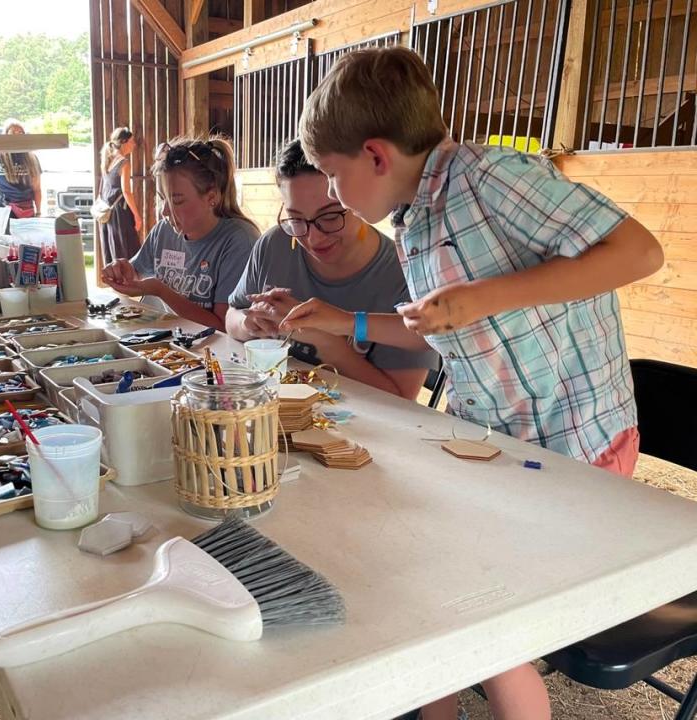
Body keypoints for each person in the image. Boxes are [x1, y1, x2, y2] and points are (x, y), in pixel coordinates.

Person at [281, 47, 664, 720]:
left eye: (334, 180)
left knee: (480, 620)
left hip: (576, 448)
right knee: (415, 574)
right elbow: (439, 330)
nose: (334, 197)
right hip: (499, 445)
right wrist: (347, 322)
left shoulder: (490, 176)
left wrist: (487, 296)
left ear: (375, 155)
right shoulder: (416, 220)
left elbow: (639, 252)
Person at [226, 139, 438, 399]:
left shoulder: (405, 272)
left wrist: (326, 340)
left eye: (330, 217)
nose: (314, 239)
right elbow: (232, 315)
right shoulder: (275, 243)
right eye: (296, 219)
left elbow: (401, 400)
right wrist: (250, 324)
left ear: (357, 203)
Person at [101, 136, 260, 332]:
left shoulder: (239, 240)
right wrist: (122, 271)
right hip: (167, 345)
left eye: (177, 201)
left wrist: (160, 291)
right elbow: (135, 272)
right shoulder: (164, 230)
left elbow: (223, 326)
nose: (164, 212)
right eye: (162, 199)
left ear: (211, 197)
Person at [97, 126, 142, 263]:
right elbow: (126, 192)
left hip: (107, 212)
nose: (134, 145)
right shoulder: (124, 163)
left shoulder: (107, 160)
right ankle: (129, 281)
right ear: (123, 142)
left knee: (113, 248)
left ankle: (116, 279)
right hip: (119, 212)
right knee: (128, 248)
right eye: (132, 141)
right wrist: (137, 216)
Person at [0, 118, 41, 218]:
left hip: (27, 209)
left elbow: (37, 188)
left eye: (21, 132)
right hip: (3, 208)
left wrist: (39, 211)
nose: (17, 135)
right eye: (13, 132)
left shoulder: (32, 158)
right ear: (6, 135)